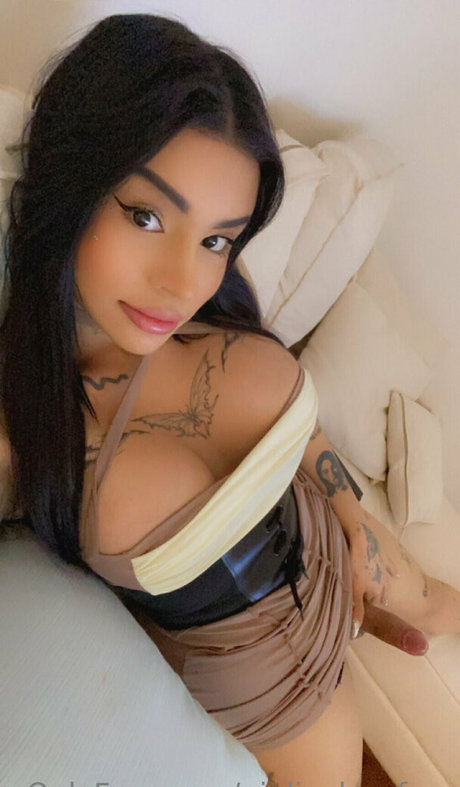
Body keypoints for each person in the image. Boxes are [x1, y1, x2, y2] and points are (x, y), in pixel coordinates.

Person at [1, 13, 459, 786]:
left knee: (445, 606)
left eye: (217, 239)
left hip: (350, 553)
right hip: (289, 698)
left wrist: (355, 524)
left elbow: (289, 428)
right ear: (71, 180)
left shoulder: (215, 302)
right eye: (146, 216)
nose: (183, 281)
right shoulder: (26, 429)